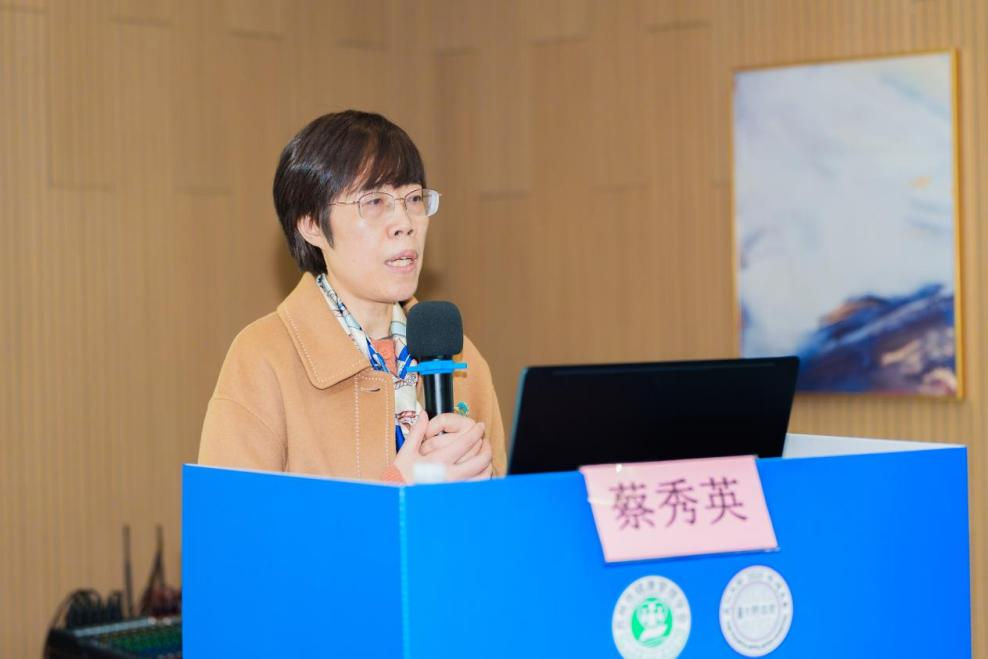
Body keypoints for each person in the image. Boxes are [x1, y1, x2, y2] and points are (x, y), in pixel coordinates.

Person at [198, 110, 505, 483]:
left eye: (413, 199)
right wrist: (400, 485)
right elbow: (234, 520)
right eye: (374, 202)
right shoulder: (263, 358)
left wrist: (483, 490)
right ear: (311, 224)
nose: (405, 223)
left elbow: (506, 514)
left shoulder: (458, 356)